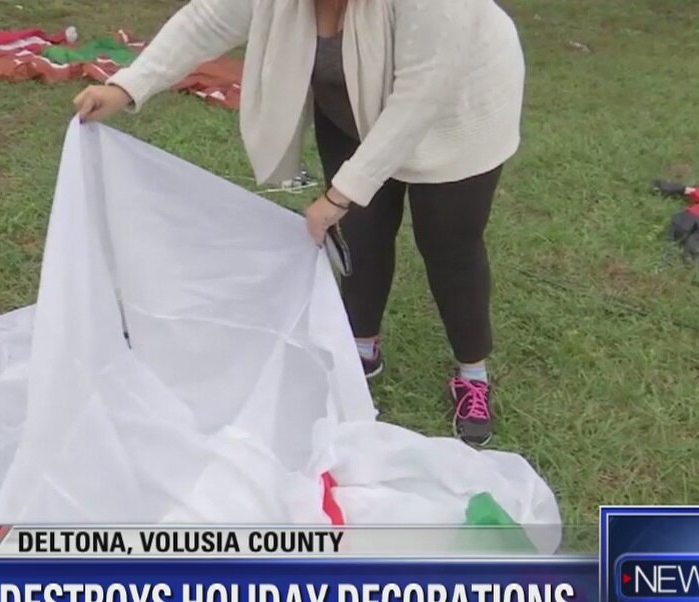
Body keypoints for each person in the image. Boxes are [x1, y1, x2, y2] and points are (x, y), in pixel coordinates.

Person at [73, 0, 524, 446]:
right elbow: (208, 18)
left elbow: (420, 96)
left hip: (454, 116)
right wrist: (127, 86)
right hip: (351, 106)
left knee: (449, 247)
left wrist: (340, 194)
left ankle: (472, 372)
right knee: (361, 236)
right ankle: (361, 346)